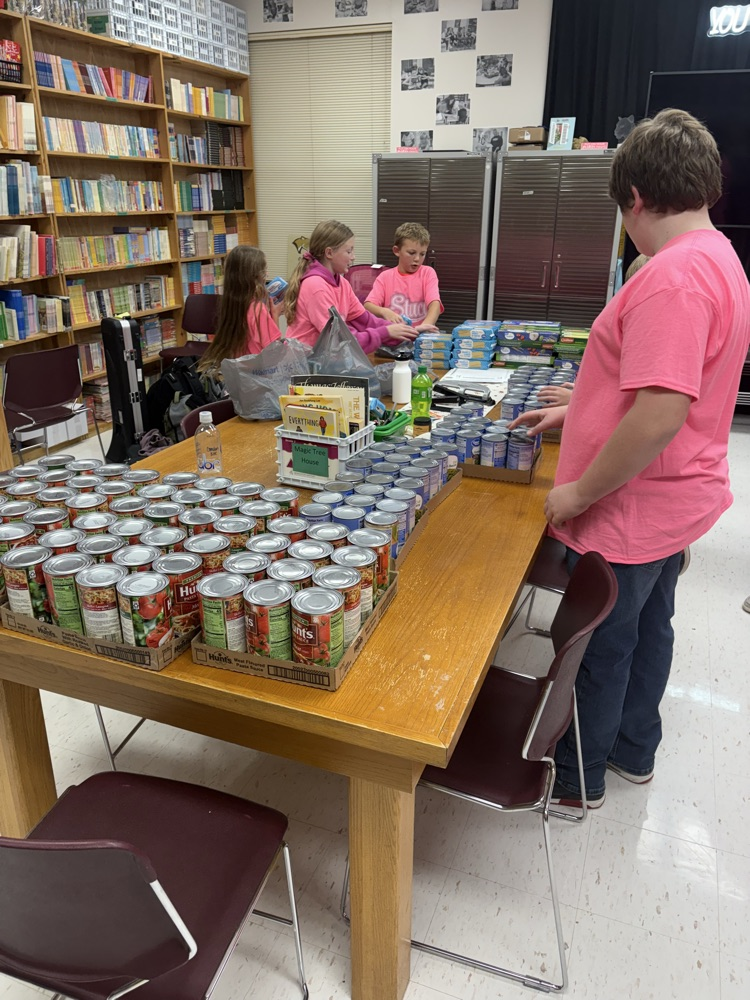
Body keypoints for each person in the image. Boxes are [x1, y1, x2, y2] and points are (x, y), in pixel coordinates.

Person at [510, 108, 750, 809]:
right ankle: (633, 752)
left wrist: (578, 492)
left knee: (598, 646)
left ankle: (578, 781)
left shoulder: (673, 277)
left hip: (634, 508)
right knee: (648, 628)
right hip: (676, 500)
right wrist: (574, 411)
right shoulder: (719, 256)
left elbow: (658, 415)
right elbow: (659, 388)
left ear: (636, 200)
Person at [284, 220, 416, 351]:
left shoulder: (342, 283)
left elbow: (365, 320)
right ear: (329, 253)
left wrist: (406, 330)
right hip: (305, 364)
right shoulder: (316, 287)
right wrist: (385, 333)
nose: (353, 257)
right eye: (349, 251)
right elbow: (339, 339)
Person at [198, 245, 282, 375]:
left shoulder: (231, 306)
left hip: (238, 377)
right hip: (257, 378)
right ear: (255, 277)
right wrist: (275, 315)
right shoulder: (257, 309)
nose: (266, 275)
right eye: (264, 272)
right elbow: (274, 353)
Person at [364, 222, 443, 331]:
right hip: (393, 338)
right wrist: (384, 311)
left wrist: (424, 327)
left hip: (419, 337)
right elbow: (368, 305)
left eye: (422, 254)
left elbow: (435, 305)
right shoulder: (385, 277)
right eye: (411, 253)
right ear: (397, 251)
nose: (417, 259)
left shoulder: (428, 273)